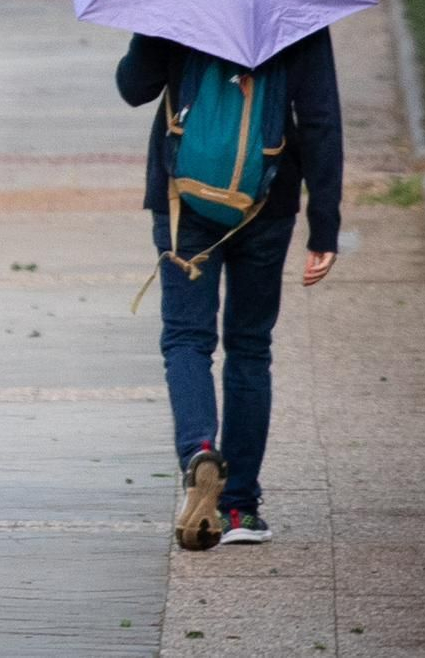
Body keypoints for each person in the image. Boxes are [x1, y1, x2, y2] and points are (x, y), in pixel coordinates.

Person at [116, 29, 342, 550]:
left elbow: (134, 87)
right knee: (249, 346)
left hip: (183, 200)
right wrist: (324, 224)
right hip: (268, 200)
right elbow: (320, 119)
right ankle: (238, 506)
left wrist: (149, 32)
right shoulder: (297, 5)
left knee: (187, 339)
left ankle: (198, 451)